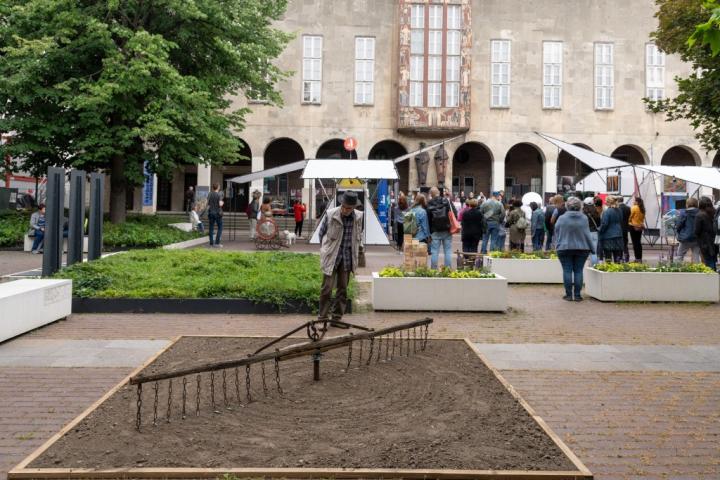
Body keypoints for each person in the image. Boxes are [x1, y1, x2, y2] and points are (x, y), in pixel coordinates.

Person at [318, 191, 363, 327]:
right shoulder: (330, 214)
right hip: (332, 256)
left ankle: (336, 319)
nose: (345, 210)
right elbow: (321, 234)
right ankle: (322, 319)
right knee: (327, 288)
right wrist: (326, 250)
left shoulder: (358, 217)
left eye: (348, 208)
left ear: (354, 207)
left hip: (347, 257)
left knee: (342, 289)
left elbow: (358, 235)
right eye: (343, 206)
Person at [555, 197, 595, 301]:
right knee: (578, 271)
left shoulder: (562, 218)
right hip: (582, 248)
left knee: (567, 270)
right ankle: (577, 295)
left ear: (567, 206)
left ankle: (568, 295)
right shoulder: (584, 218)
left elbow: (556, 231)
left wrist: (557, 244)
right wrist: (592, 248)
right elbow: (587, 234)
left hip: (564, 247)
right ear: (580, 206)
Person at [427, 186, 456, 269]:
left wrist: (429, 232)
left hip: (435, 230)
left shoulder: (429, 204)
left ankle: (434, 269)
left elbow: (428, 219)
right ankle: (447, 269)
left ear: (431, 195)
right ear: (439, 193)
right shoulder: (446, 201)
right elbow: (454, 213)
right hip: (447, 229)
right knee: (447, 251)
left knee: (434, 252)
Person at [694, 197, 718, 271]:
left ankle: (712, 275)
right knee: (713, 259)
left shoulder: (699, 215)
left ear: (700, 204)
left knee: (708, 260)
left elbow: (697, 231)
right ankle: (714, 274)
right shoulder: (715, 212)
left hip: (705, 242)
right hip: (715, 240)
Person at [598, 196, 624, 262]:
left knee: (608, 257)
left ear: (608, 202)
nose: (605, 202)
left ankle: (609, 268)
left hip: (608, 237)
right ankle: (617, 267)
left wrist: (600, 230)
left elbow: (604, 224)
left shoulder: (607, 212)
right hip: (619, 235)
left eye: (606, 201)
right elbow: (621, 220)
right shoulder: (619, 211)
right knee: (617, 257)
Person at [676, 197, 701, 263]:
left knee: (680, 255)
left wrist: (680, 233)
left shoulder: (684, 213)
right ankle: (697, 268)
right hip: (697, 237)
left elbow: (678, 225)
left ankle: (677, 268)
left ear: (687, 204)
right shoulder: (700, 212)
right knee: (696, 255)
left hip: (685, 238)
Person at [583, 197, 601, 265]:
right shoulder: (596, 212)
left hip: (586, 233)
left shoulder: (583, 213)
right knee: (594, 251)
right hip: (594, 233)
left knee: (586, 251)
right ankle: (594, 265)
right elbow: (599, 224)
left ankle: (589, 265)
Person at [628, 196, 646, 261]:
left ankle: (637, 258)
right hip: (640, 227)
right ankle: (639, 258)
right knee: (638, 243)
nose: (633, 202)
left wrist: (629, 221)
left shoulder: (634, 207)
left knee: (635, 243)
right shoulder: (642, 209)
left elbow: (630, 217)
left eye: (634, 201)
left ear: (637, 202)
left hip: (633, 227)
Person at [617, 197, 631, 262]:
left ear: (618, 201)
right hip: (625, 228)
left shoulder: (617, 208)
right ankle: (626, 255)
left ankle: (620, 256)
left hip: (619, 228)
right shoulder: (628, 208)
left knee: (619, 243)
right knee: (625, 243)